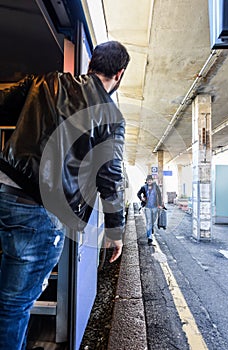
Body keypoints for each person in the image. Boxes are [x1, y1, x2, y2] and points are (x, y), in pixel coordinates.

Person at [0, 40, 130, 350]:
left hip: (5, 192)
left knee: (8, 293)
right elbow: (110, 176)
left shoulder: (46, 82)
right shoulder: (111, 117)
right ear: (120, 74)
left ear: (90, 65)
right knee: (14, 305)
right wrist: (115, 231)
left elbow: (4, 101)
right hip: (41, 213)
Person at [137, 175, 162, 245]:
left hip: (155, 207)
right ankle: (150, 238)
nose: (149, 181)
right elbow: (138, 194)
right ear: (146, 181)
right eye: (148, 180)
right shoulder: (144, 187)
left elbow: (159, 195)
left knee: (153, 221)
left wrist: (160, 205)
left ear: (152, 180)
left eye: (150, 180)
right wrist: (141, 199)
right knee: (149, 222)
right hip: (147, 207)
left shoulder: (156, 187)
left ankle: (151, 230)